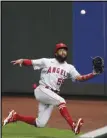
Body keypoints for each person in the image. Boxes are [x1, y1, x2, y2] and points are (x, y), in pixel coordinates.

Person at [3, 43, 99, 135]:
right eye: (61, 50)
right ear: (55, 53)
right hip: (42, 90)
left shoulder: (70, 67)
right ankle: (73, 126)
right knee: (61, 101)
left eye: (65, 51)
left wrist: (93, 73)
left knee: (40, 123)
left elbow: (80, 78)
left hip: (51, 95)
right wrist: (22, 61)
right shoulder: (47, 61)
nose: (63, 52)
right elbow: (31, 62)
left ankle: (15, 116)